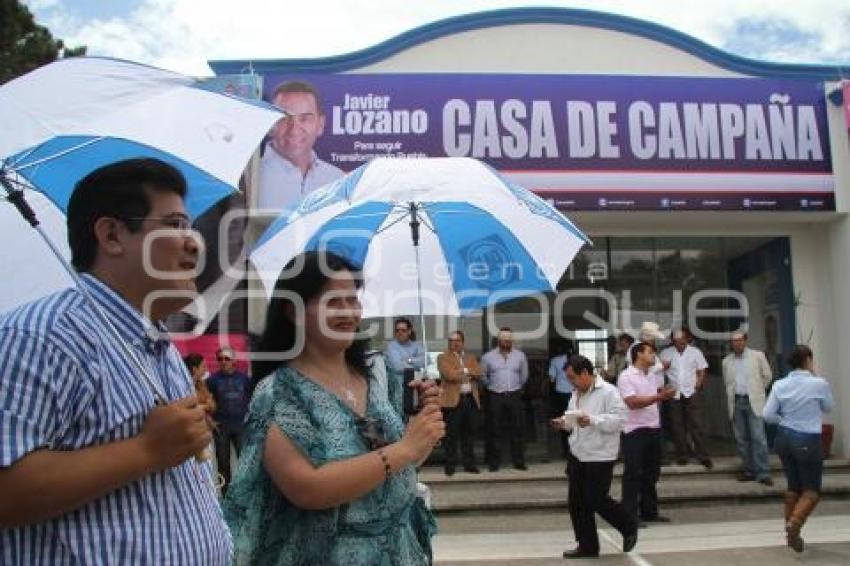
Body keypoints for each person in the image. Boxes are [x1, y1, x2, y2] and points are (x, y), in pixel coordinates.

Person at [0, 159, 230, 564]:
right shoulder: (43, 336)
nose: (194, 243)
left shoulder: (157, 346)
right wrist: (145, 450)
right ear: (111, 235)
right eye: (175, 225)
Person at [223, 251, 444, 565]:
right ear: (293, 311)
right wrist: (405, 449)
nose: (349, 312)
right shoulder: (278, 392)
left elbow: (405, 463)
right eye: (334, 302)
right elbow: (307, 488)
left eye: (353, 300)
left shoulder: (376, 379)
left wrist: (422, 429)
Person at [552, 355, 637, 558]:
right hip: (578, 453)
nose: (571, 382)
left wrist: (592, 420)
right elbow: (573, 418)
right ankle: (587, 546)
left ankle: (628, 525)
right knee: (576, 502)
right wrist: (563, 422)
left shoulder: (608, 392)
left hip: (600, 455)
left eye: (573, 377)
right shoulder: (576, 393)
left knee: (596, 499)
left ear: (585, 373)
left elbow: (620, 420)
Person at [763, 345, 834, 553]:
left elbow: (767, 414)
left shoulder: (779, 384)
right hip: (807, 438)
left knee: (794, 486)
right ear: (808, 361)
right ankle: (794, 523)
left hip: (784, 438)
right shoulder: (818, 384)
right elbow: (828, 407)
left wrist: (784, 418)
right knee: (811, 490)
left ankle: (789, 532)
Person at [258, 80, 344, 210]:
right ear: (270, 125)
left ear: (320, 125)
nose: (294, 129)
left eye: (305, 119)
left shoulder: (338, 179)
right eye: (284, 118)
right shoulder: (250, 179)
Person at [619, 343, 677, 527]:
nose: (654, 355)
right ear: (638, 355)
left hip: (653, 428)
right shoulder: (626, 376)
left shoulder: (651, 374)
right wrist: (659, 398)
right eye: (650, 352)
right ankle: (629, 515)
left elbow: (652, 396)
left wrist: (662, 393)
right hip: (634, 430)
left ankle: (649, 512)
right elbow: (632, 402)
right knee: (633, 474)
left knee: (652, 473)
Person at [722, 330, 774, 485]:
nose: (737, 343)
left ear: (745, 341)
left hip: (754, 401)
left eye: (740, 340)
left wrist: (757, 391)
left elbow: (767, 376)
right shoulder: (726, 361)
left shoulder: (757, 356)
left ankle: (763, 473)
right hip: (737, 402)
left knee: (758, 438)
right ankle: (749, 470)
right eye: (734, 341)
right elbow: (728, 383)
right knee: (742, 440)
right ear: (731, 343)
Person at [659, 329, 712, 469]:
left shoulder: (695, 352)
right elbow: (658, 373)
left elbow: (702, 370)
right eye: (677, 341)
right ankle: (682, 455)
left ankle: (703, 456)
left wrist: (698, 384)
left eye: (683, 340)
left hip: (691, 392)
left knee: (697, 424)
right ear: (673, 341)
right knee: (677, 426)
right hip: (673, 394)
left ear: (687, 339)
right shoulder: (666, 353)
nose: (680, 343)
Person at [480, 327, 530, 471]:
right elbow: (483, 376)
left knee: (517, 429)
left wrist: (517, 387)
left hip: (514, 395)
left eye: (509, 340)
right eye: (504, 340)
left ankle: (519, 461)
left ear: (511, 340)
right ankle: (494, 463)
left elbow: (524, 375)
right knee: (494, 429)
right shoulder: (487, 357)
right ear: (499, 340)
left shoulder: (520, 356)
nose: (506, 342)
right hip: (495, 395)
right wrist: (491, 386)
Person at [206, 345, 252, 492]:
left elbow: (254, 399)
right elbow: (204, 401)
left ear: (234, 361)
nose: (223, 362)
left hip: (241, 427)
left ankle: (246, 496)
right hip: (221, 428)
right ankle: (226, 497)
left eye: (227, 358)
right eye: (220, 359)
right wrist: (209, 420)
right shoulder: (211, 381)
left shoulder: (245, 379)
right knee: (223, 464)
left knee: (246, 463)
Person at [438, 330, 483, 475]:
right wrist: (467, 371)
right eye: (451, 340)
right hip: (452, 401)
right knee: (451, 434)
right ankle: (450, 465)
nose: (454, 343)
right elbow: (449, 375)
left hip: (469, 399)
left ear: (462, 342)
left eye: (457, 340)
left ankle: (469, 464)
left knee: (468, 434)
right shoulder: (443, 357)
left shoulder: (470, 357)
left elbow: (479, 372)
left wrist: (463, 371)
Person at [385, 317, 428, 413]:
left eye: (403, 330)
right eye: (397, 330)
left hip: (416, 388)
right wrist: (416, 363)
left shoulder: (417, 345)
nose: (400, 333)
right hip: (398, 390)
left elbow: (425, 361)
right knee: (400, 417)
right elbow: (398, 367)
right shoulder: (392, 346)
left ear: (409, 331)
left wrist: (409, 360)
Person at [547, 344, 574, 459]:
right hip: (576, 393)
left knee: (564, 422)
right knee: (577, 421)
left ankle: (566, 451)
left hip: (561, 395)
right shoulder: (577, 360)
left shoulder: (555, 360)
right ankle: (576, 450)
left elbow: (552, 379)